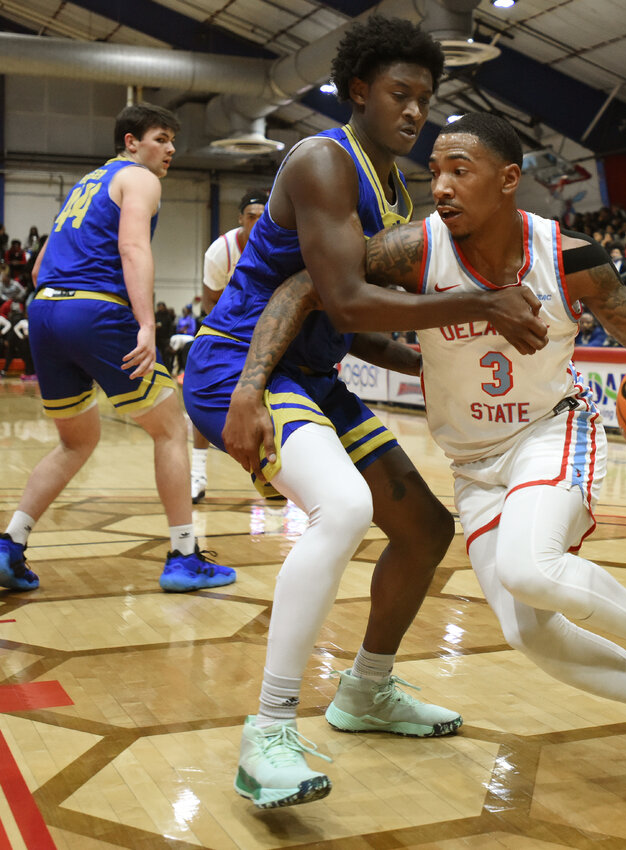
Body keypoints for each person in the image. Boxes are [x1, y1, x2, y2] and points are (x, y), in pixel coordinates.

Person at [246, 113, 626, 797]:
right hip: (472, 465)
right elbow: (307, 287)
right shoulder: (411, 249)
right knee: (529, 633)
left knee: (529, 567)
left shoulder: (569, 258)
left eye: (462, 170)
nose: (443, 186)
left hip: (550, 433)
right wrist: (249, 386)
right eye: (437, 173)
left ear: (509, 179)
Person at [182, 18, 547, 811]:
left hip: (310, 375)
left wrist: (430, 364)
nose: (415, 112)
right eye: (399, 94)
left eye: (425, 98)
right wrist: (482, 301)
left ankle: (366, 691)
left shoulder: (391, 186)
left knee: (425, 529)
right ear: (358, 91)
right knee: (343, 507)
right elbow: (343, 296)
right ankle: (271, 728)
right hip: (239, 366)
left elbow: (352, 321)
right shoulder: (322, 162)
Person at [0, 102, 236, 595]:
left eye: (173, 140)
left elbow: (41, 267)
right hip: (94, 310)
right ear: (131, 142)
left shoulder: (86, 184)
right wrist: (146, 323)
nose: (170, 149)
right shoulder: (140, 179)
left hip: (44, 311)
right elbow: (133, 248)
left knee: (76, 441)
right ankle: (184, 556)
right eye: (160, 138)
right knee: (171, 427)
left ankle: (10, 545)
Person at [191, 189, 268, 503]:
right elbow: (210, 302)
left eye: (263, 217)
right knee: (203, 400)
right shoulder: (220, 251)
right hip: (224, 330)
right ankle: (196, 473)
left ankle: (276, 471)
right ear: (240, 219)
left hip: (268, 332)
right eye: (251, 217)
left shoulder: (279, 244)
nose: (257, 223)